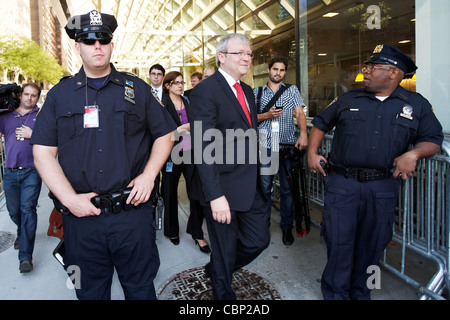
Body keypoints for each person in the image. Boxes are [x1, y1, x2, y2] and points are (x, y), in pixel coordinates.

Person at [30, 10, 176, 300]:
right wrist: (69, 200)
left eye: (103, 39)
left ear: (111, 45)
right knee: (85, 292)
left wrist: (149, 176)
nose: (97, 45)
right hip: (79, 222)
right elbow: (43, 152)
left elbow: (165, 134)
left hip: (132, 217)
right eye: (88, 40)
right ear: (78, 47)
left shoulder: (137, 89)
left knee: (141, 290)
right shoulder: (60, 95)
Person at [308, 44, 444, 300]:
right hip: (343, 184)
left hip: (382, 187)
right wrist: (312, 153)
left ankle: (362, 293)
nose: (365, 72)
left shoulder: (416, 104)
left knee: (374, 246)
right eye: (367, 67)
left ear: (394, 73)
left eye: (373, 68)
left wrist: (413, 154)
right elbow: (320, 124)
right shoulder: (349, 98)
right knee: (338, 243)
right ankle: (335, 294)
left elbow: (433, 139)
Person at [189, 33, 270, 300]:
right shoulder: (205, 91)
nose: (247, 58)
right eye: (240, 53)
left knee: (259, 240)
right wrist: (215, 195)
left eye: (249, 54)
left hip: (249, 183)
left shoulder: (247, 90)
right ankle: (224, 294)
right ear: (221, 57)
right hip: (221, 187)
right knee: (224, 248)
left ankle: (216, 268)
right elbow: (203, 146)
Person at [254, 56, 308, 245]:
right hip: (265, 147)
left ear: (285, 72)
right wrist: (267, 115)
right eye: (275, 69)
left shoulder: (291, 90)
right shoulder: (257, 92)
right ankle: (264, 229)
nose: (278, 73)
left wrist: (303, 133)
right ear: (269, 69)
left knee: (287, 191)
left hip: (287, 146)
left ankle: (286, 227)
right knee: (265, 190)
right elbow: (251, 119)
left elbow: (300, 112)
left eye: (282, 70)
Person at [160, 71, 210, 253]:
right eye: (176, 83)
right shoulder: (162, 105)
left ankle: (197, 233)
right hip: (171, 154)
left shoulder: (187, 101)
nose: (180, 86)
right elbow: (161, 134)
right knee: (170, 194)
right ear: (167, 86)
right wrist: (181, 128)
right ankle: (172, 231)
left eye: (182, 82)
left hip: (190, 153)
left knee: (197, 194)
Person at [0, 83, 42, 273]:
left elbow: (53, 139)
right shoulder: (6, 115)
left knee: (28, 210)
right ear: (20, 95)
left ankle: (25, 257)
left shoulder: (41, 116)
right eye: (26, 94)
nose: (29, 98)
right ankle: (22, 233)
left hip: (32, 171)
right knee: (14, 211)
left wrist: (33, 135)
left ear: (37, 98)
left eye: (34, 95)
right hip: (9, 172)